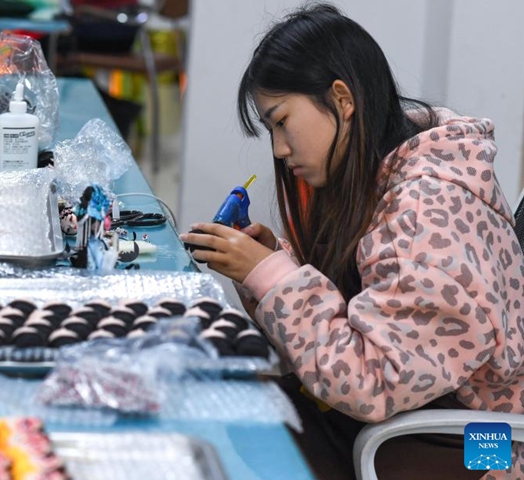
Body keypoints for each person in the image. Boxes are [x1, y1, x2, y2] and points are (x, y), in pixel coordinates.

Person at [179, 4, 524, 480]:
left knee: (242, 428)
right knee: (237, 409)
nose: (279, 148)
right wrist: (274, 265)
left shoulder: (428, 210)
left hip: (484, 450)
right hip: (417, 417)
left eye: (282, 121)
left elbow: (368, 383)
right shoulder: (390, 174)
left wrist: (273, 277)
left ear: (342, 98)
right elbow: (375, 312)